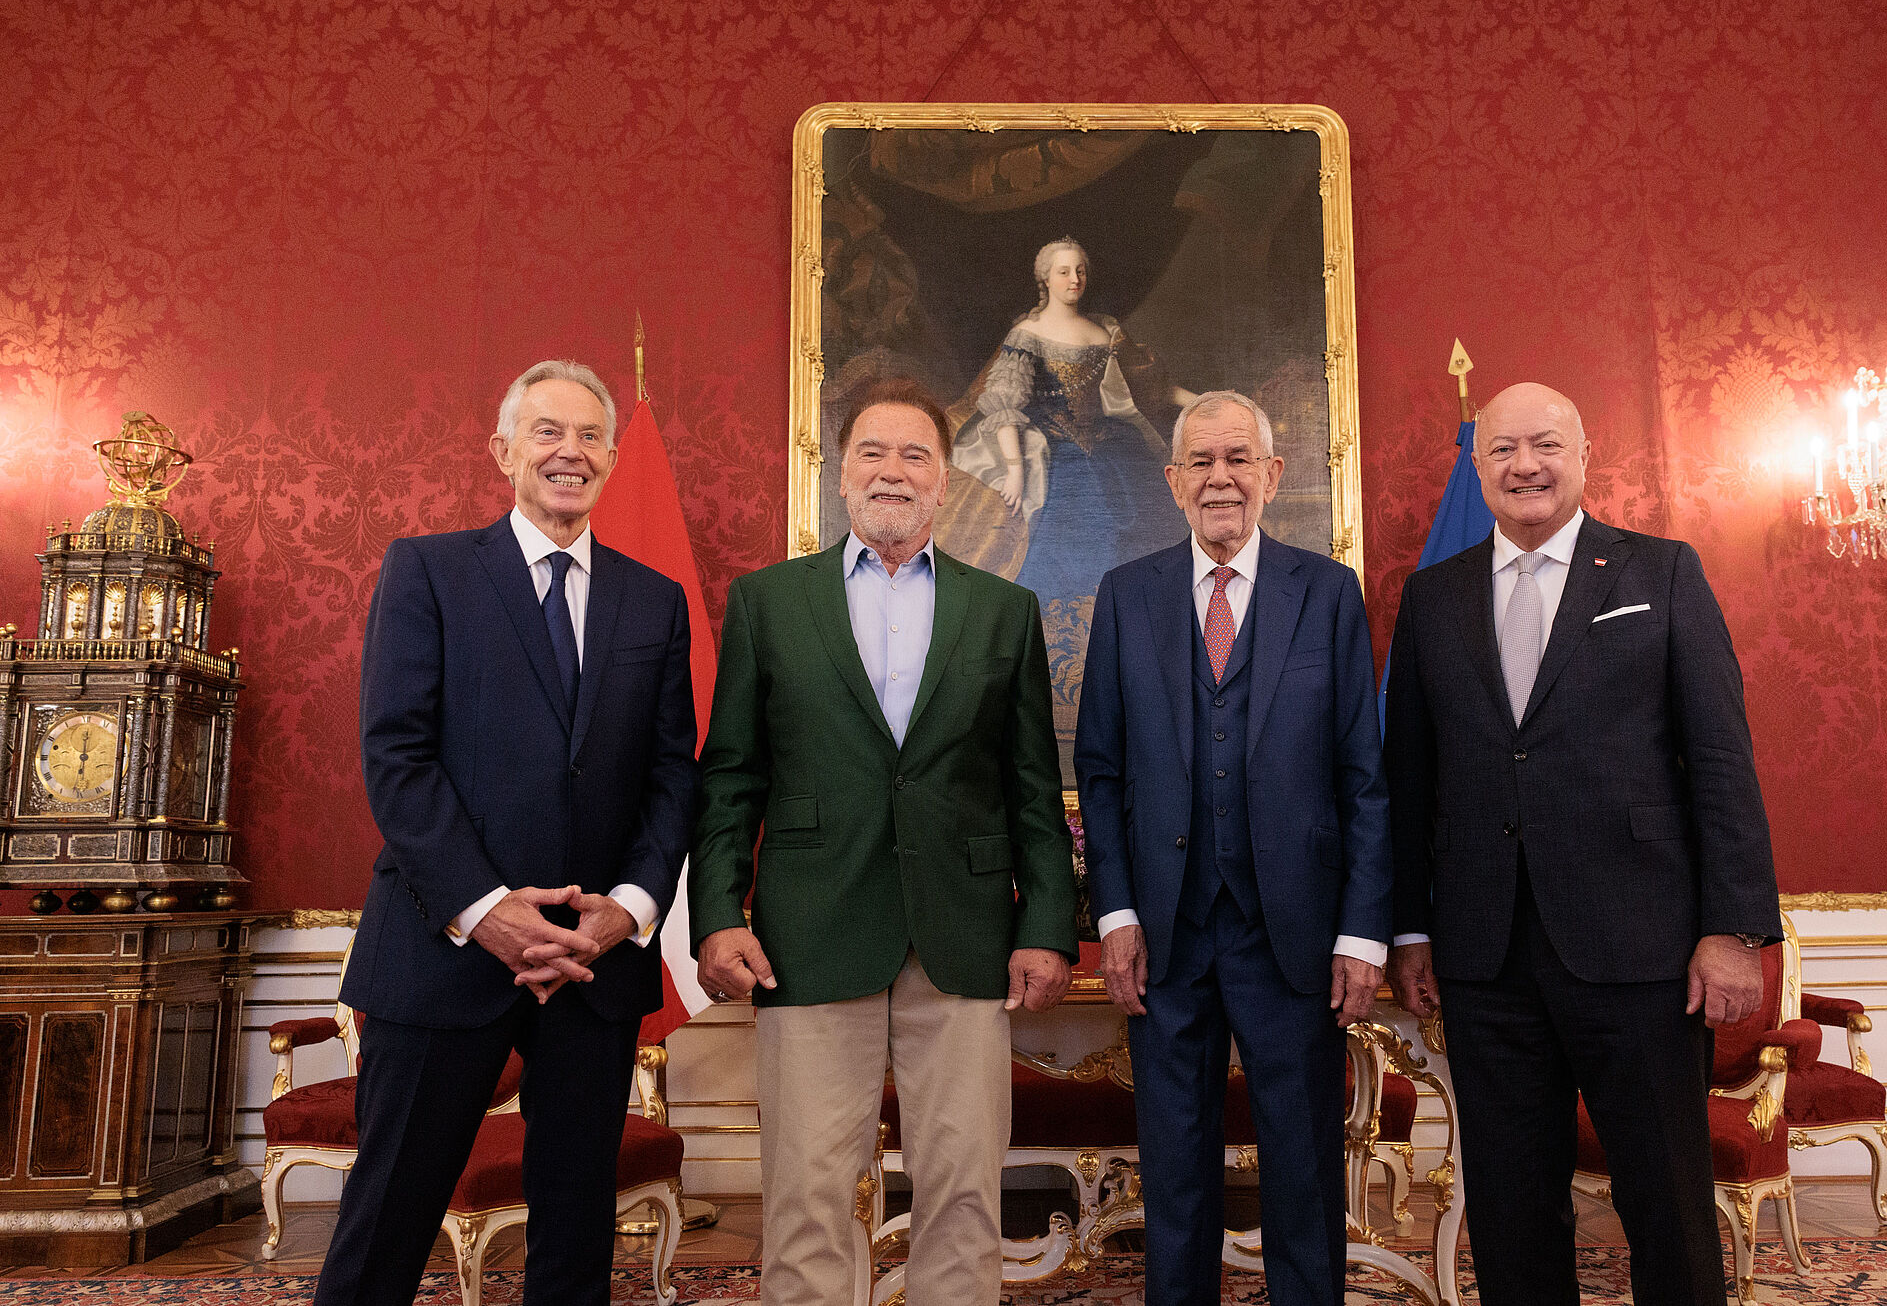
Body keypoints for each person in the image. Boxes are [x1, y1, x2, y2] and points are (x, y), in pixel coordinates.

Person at [1383, 381, 1783, 1306]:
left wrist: (1734, 931)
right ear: (1476, 465)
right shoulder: (1433, 596)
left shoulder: (1661, 572)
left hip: (1642, 952)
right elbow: (1409, 778)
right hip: (1485, 957)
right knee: (1512, 1212)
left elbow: (1721, 760)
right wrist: (1410, 927)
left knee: (1667, 1204)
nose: (1525, 465)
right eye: (1503, 449)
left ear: (1585, 455)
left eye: (1546, 445)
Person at [315, 360, 699, 1306]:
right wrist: (487, 911)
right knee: (387, 1219)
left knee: (575, 1233)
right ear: (503, 451)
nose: (571, 452)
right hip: (442, 947)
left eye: (590, 435)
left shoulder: (654, 599)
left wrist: (629, 909)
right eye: (547, 431)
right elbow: (397, 756)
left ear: (612, 457)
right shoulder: (429, 570)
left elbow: (671, 774)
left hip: (592, 961)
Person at [689, 377, 1079, 1306]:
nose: (892, 471)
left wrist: (1047, 926)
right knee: (806, 1195)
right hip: (809, 935)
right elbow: (732, 776)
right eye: (872, 451)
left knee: (964, 1196)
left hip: (965, 936)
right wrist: (716, 914)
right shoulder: (768, 602)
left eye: (914, 455)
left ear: (944, 480)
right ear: (840, 473)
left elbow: (1031, 789)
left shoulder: (1004, 610)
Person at [1073, 390, 1392, 1306]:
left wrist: (1362, 933)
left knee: (1303, 1170)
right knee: (1174, 1175)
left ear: (1272, 475)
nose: (1221, 479)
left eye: (1238, 458)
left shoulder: (1326, 593)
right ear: (1174, 480)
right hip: (1165, 937)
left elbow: (1363, 777)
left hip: (1294, 937)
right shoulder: (1127, 594)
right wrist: (1116, 913)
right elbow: (1102, 771)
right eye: (1202, 463)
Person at [951, 236, 1190, 603]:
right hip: (1054, 448)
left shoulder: (1105, 331)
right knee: (1073, 524)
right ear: (1045, 279)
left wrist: (1209, 400)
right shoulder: (1027, 334)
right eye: (1064, 272)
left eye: (1080, 271)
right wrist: (1015, 469)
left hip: (1112, 444)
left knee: (1151, 521)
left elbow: (1153, 389)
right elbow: (1004, 406)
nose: (1074, 279)